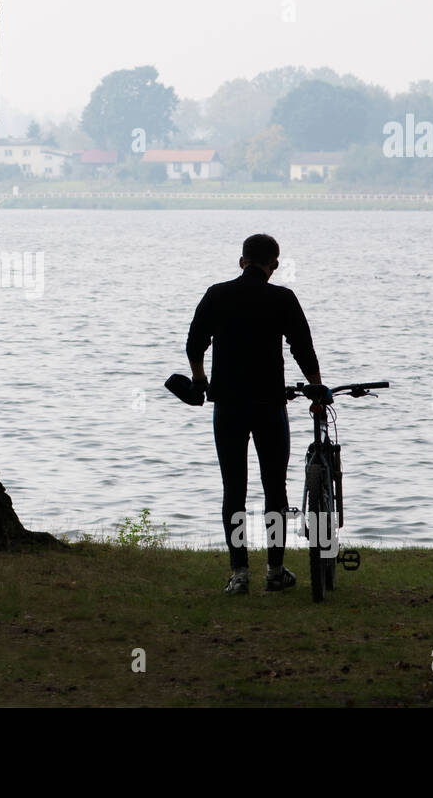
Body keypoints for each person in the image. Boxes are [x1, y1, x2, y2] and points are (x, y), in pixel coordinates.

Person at [185, 233, 330, 595]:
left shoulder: (217, 294)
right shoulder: (282, 298)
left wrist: (200, 377)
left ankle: (239, 574)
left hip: (229, 407)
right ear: (274, 265)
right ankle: (275, 570)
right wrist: (316, 388)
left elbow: (194, 342)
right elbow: (303, 349)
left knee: (233, 489)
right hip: (269, 406)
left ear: (241, 261)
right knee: (274, 488)